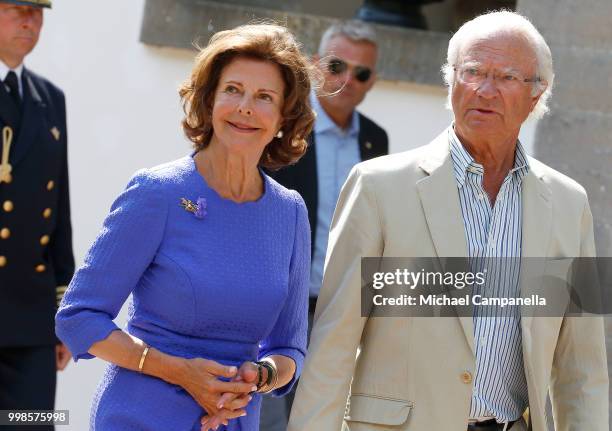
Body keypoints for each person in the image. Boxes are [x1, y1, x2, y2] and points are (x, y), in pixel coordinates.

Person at [288, 11, 608, 431]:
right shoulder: (378, 187)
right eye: (472, 71)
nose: (484, 89)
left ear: (536, 94)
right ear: (451, 80)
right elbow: (334, 344)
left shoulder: (569, 203)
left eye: (507, 76)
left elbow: (580, 367)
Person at [55, 23, 315, 431]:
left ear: (284, 117)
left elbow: (290, 350)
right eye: (233, 90)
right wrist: (180, 372)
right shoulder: (158, 192)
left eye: (264, 97)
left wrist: (257, 376)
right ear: (210, 100)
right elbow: (79, 317)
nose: (245, 106)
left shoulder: (290, 212)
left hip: (233, 420)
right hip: (141, 417)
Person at [263, 20, 388, 431]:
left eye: (362, 72)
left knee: (319, 416)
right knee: (263, 414)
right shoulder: (280, 125)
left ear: (372, 81)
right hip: (277, 302)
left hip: (341, 307)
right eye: (337, 66)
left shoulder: (375, 139)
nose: (348, 79)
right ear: (315, 64)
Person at [0, 0, 74, 425]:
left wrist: (64, 311)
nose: (29, 20)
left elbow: (57, 212)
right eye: (16, 8)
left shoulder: (50, 99)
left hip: (30, 321)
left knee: (29, 422)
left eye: (37, 10)